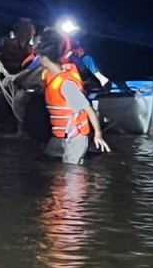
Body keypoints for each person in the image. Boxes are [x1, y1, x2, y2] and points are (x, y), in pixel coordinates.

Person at [33, 28, 110, 165]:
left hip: (75, 136)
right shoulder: (49, 75)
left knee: (72, 172)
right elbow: (32, 78)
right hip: (61, 136)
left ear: (44, 59)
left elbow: (89, 110)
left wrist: (98, 135)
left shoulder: (66, 85)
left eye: (39, 57)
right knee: (50, 165)